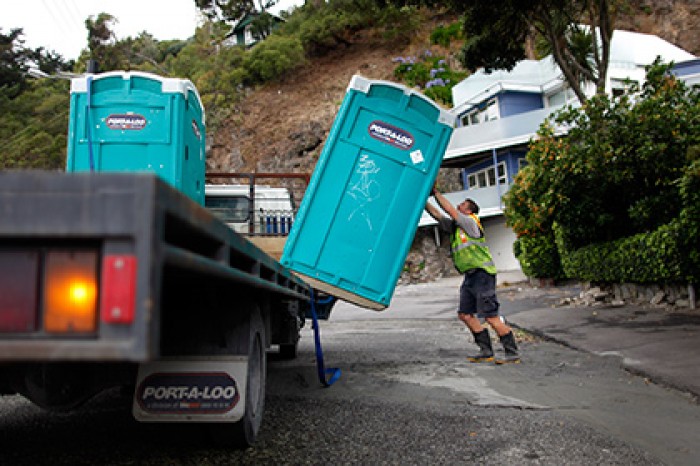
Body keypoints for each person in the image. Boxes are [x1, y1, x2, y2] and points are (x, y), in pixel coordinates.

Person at [425, 186, 520, 364]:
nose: (458, 206)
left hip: (483, 275)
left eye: (462, 204)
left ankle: (511, 352)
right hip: (470, 276)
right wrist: (423, 199)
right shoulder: (456, 227)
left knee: (490, 316)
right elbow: (437, 214)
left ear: (468, 211)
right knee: (465, 314)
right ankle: (486, 351)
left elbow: (449, 210)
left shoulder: (470, 222)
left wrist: (436, 192)